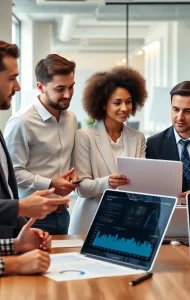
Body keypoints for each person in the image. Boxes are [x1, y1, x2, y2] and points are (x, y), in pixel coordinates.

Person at [0, 40, 70, 238]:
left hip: (60, 214)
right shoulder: (21, 121)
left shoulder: (70, 119)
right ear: (41, 87)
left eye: (71, 87)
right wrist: (49, 184)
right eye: (12, 78)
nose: (18, 86)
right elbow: (15, 173)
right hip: (31, 215)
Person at [68, 66, 147, 234]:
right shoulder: (84, 136)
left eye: (129, 101)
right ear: (103, 104)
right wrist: (107, 182)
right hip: (91, 220)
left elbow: (141, 182)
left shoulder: (138, 137)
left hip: (126, 221)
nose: (125, 108)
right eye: (117, 103)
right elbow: (81, 188)